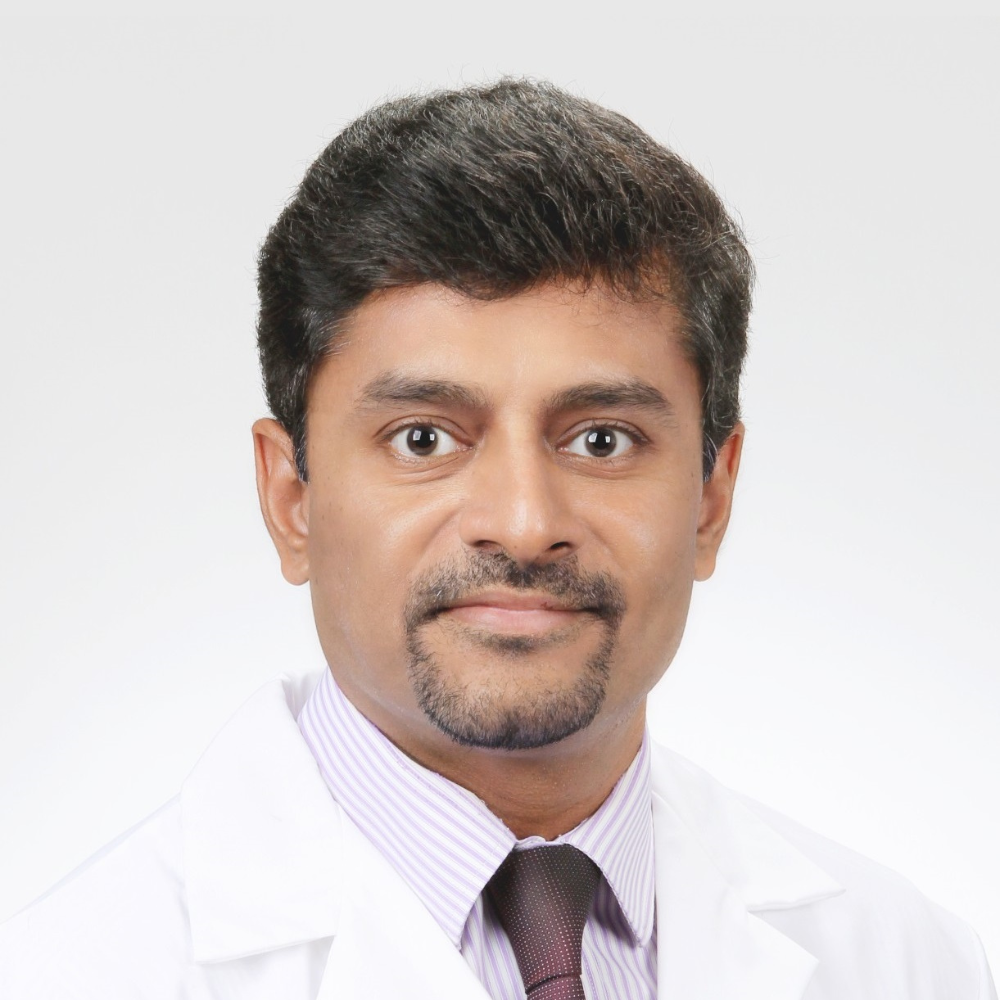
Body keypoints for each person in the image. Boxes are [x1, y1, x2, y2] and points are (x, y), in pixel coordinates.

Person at [0, 79, 994, 1000]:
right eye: (423, 438)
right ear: (291, 497)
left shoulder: (909, 965)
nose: (523, 523)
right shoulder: (73, 973)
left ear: (710, 499)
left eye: (601, 440)